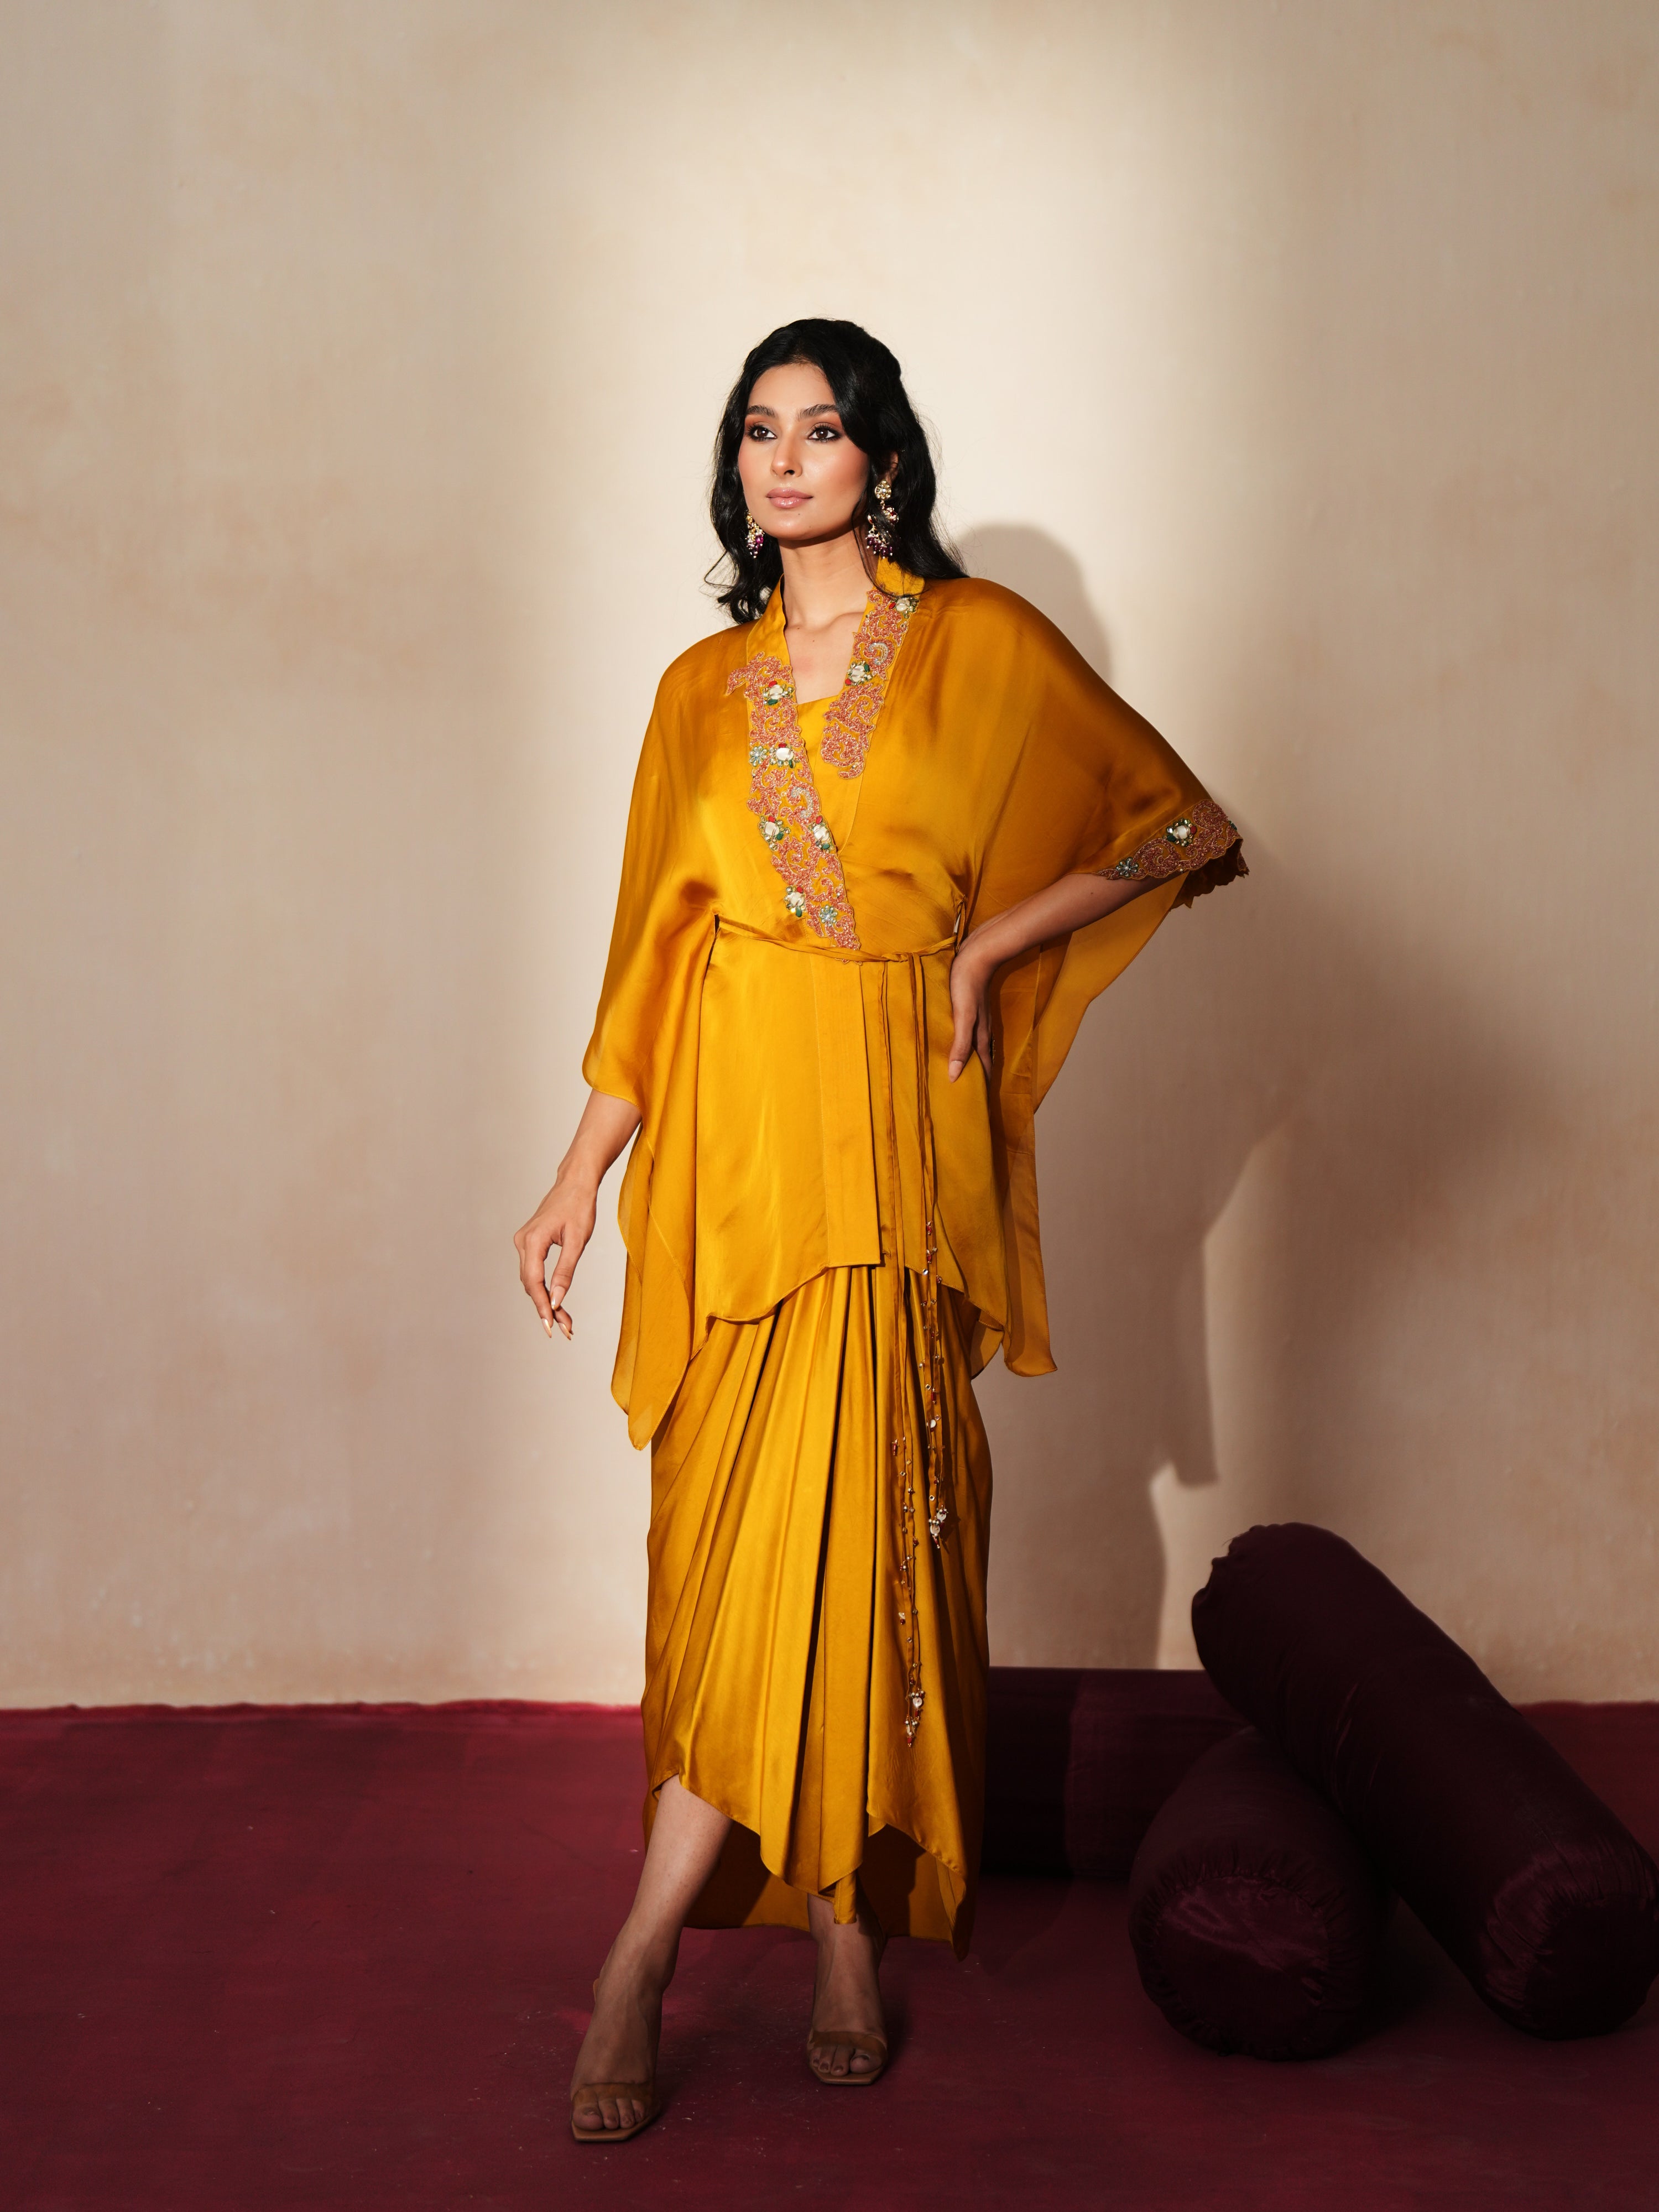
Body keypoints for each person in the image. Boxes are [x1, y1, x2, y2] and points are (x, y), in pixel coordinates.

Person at [514, 319, 1245, 2142]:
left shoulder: (981, 646)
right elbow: (647, 962)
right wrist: (578, 1172)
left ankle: (808, 1931)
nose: (784, 460)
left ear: (882, 462)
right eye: (757, 430)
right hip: (738, 1154)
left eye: (820, 430)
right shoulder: (697, 689)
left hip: (897, 1133)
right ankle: (684, 1943)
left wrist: (993, 943)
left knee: (881, 1549)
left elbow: (1177, 822)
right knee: (731, 1565)